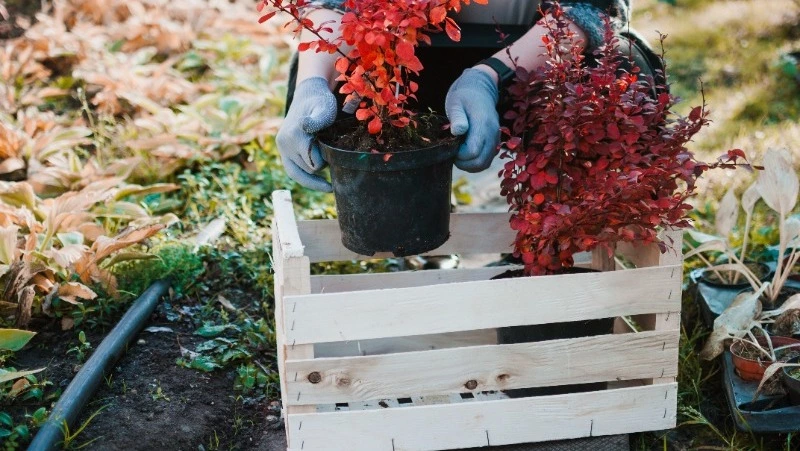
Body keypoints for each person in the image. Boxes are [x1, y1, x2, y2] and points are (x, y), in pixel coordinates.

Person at [276, 0, 663, 193]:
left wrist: (489, 77)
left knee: (618, 72)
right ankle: (411, 225)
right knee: (335, 75)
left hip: (532, 57)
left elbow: (590, 14)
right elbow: (329, 8)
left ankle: (552, 233)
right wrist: (312, 86)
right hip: (402, 60)